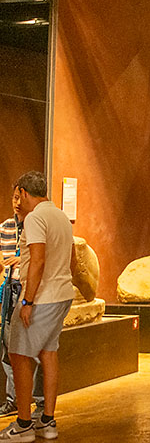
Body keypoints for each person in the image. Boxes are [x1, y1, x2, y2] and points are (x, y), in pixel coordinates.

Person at [1, 172, 75, 442]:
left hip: (43, 297)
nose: (16, 201)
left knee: (18, 354)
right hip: (62, 294)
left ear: (23, 192)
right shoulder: (61, 216)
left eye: (17, 195)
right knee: (48, 352)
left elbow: (38, 260)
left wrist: (27, 301)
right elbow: (73, 258)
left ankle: (23, 424)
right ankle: (47, 421)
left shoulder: (34, 218)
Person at [0, 189, 43, 418]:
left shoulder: (36, 226)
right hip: (9, 290)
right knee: (8, 348)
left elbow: (39, 259)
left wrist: (22, 258)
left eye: (21, 198)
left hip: (29, 291)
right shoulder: (6, 227)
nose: (17, 202)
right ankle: (13, 400)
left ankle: (40, 401)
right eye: (14, 197)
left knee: (35, 350)